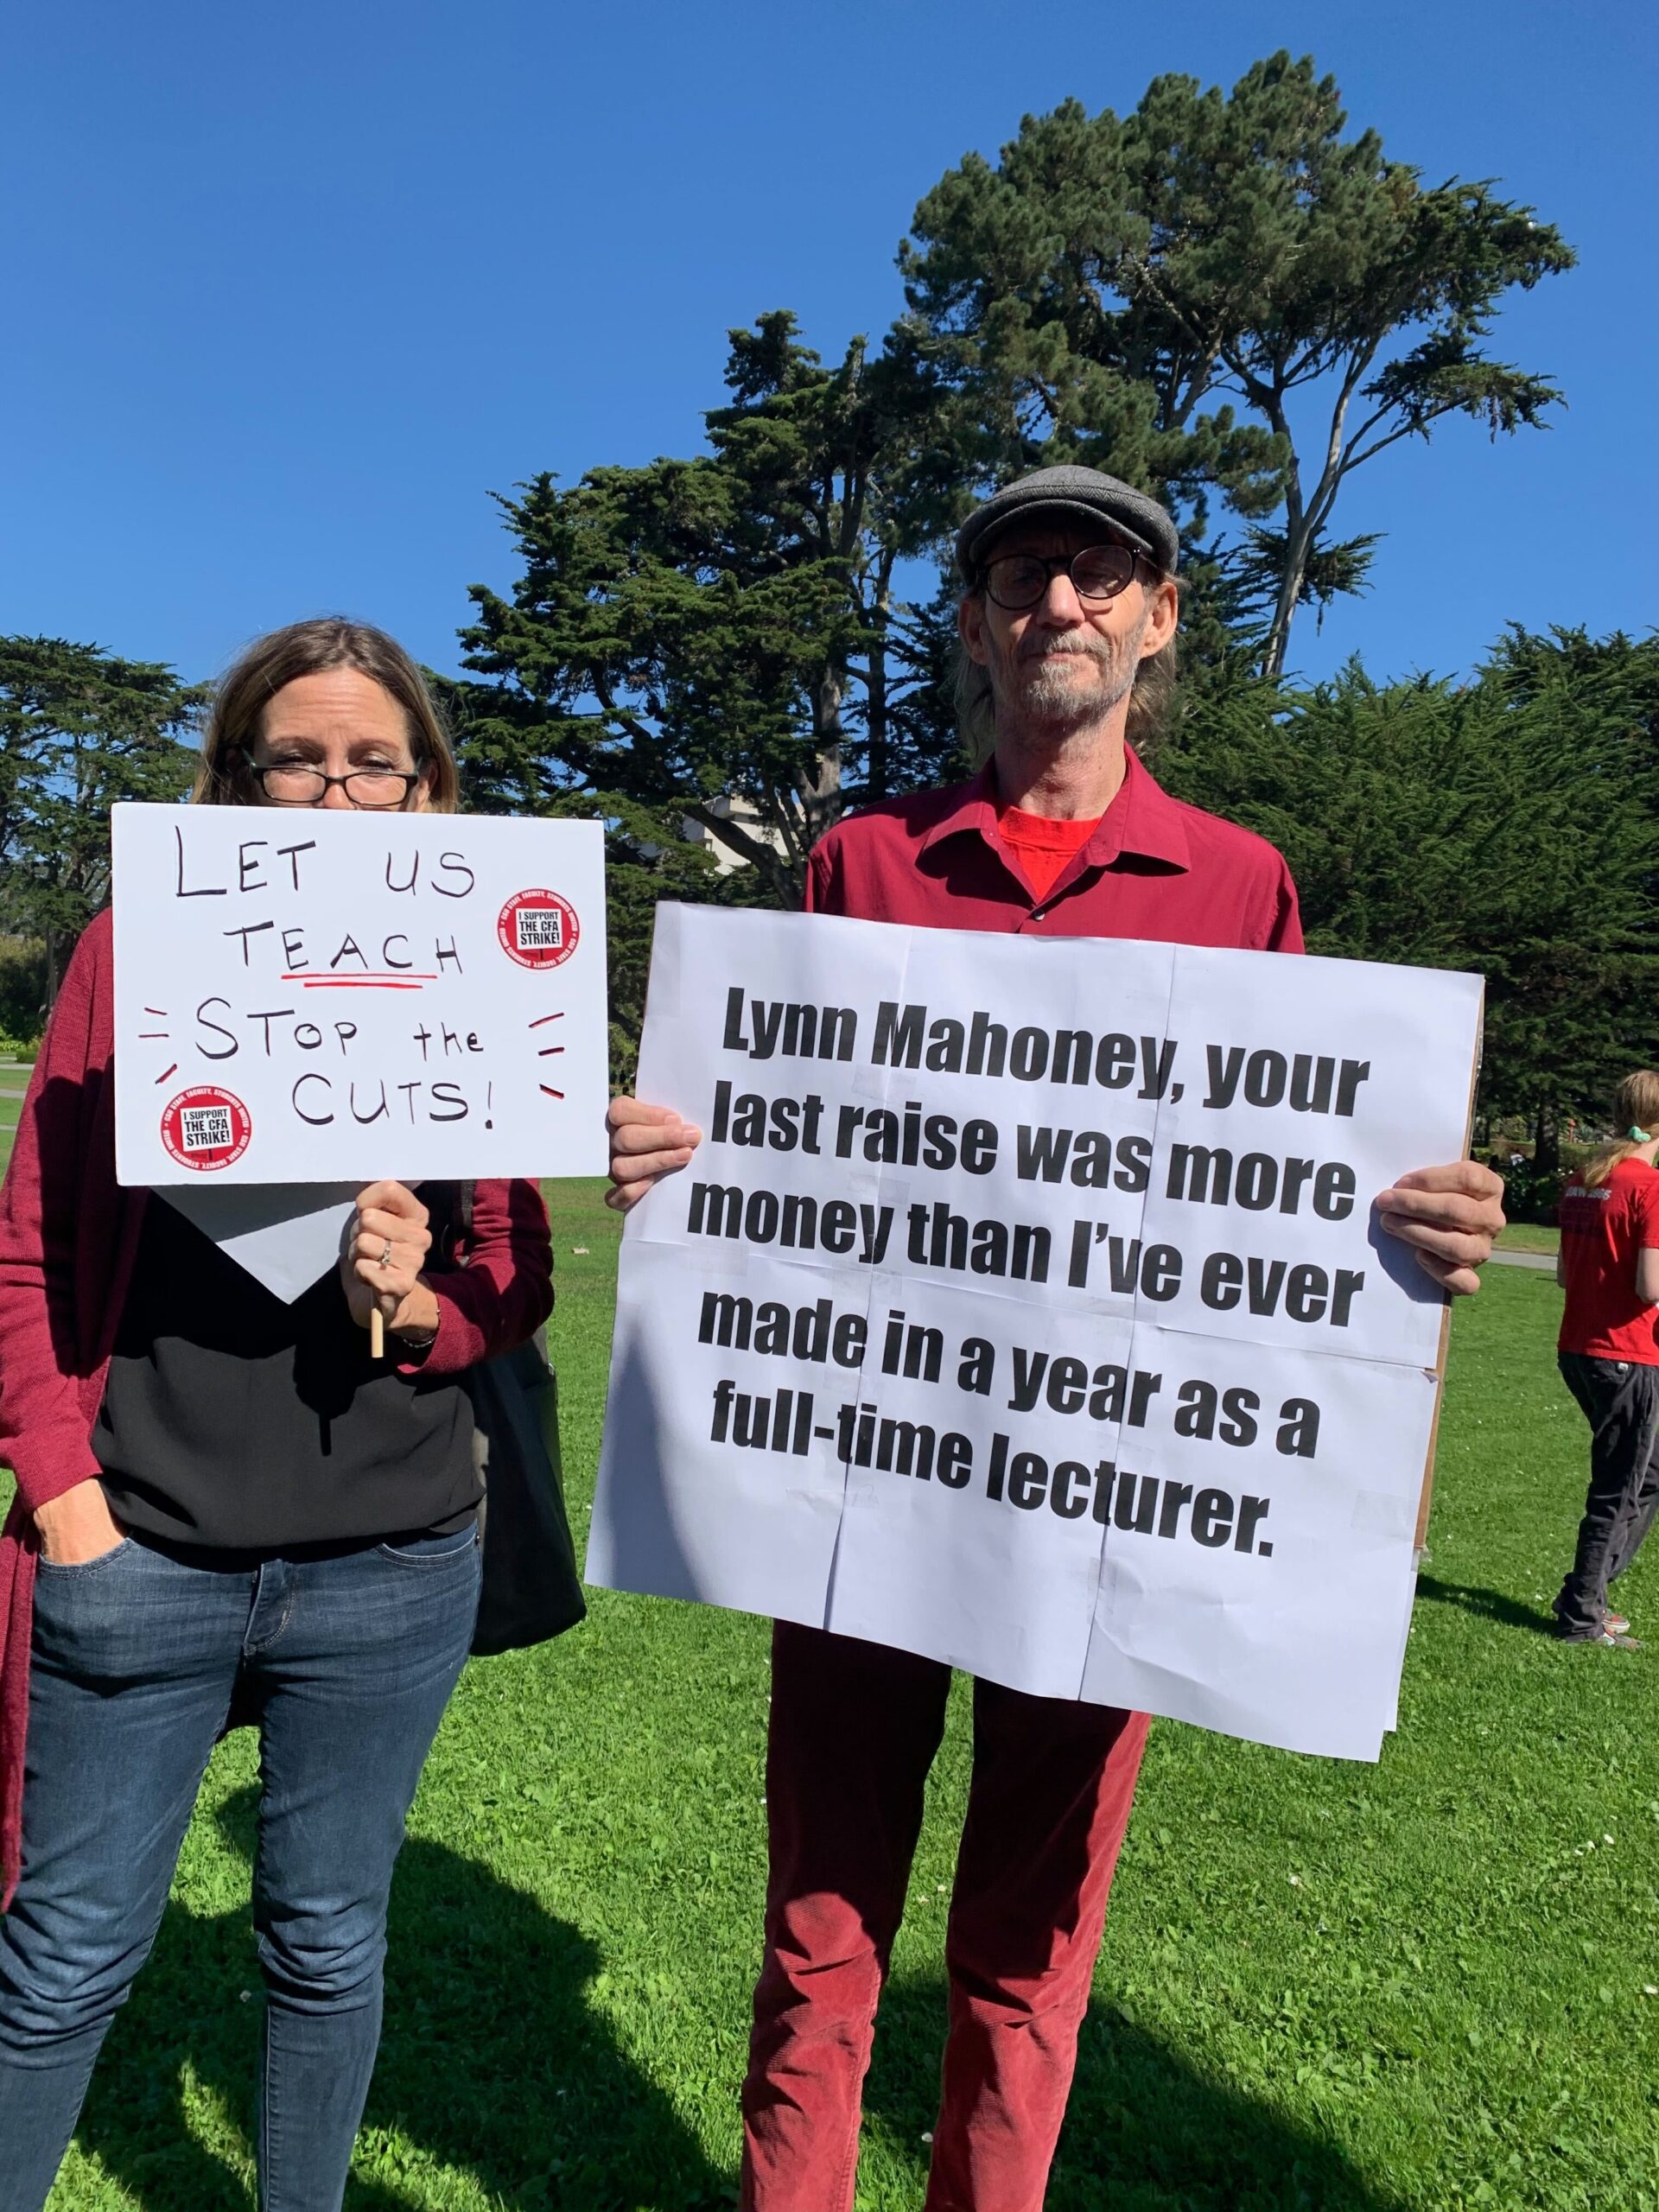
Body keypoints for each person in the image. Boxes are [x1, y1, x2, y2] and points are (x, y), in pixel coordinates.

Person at [607, 464, 1507, 2212]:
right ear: (975, 620)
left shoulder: (1242, 881)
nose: (1063, 604)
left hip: (1110, 1509)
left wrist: (1426, 1233)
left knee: (1030, 1942)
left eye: (1104, 577)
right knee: (822, 1918)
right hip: (869, 1482)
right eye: (1027, 574)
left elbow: (1295, 1183)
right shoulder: (862, 858)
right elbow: (789, 1134)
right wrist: (679, 1146)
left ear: (1162, 620)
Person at [0, 619, 554, 2212]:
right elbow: (30, 1238)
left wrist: (427, 1303)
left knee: (326, 1942)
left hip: (392, 1568)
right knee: (64, 1955)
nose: (332, 792)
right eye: (295, 757)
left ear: (426, 790)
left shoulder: (483, 964)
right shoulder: (131, 950)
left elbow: (514, 1277)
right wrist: (61, 1492)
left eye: (374, 763)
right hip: (141, 1552)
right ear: (237, 779)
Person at [1552, 1070, 1659, 1648]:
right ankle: (1581, 1619)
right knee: (1618, 1485)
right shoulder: (1649, 1186)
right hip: (1628, 1355)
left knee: (1647, 1472)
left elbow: (1566, 1274)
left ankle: (1584, 1592)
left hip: (1579, 1350)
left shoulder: (1583, 1179)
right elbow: (1650, 1286)